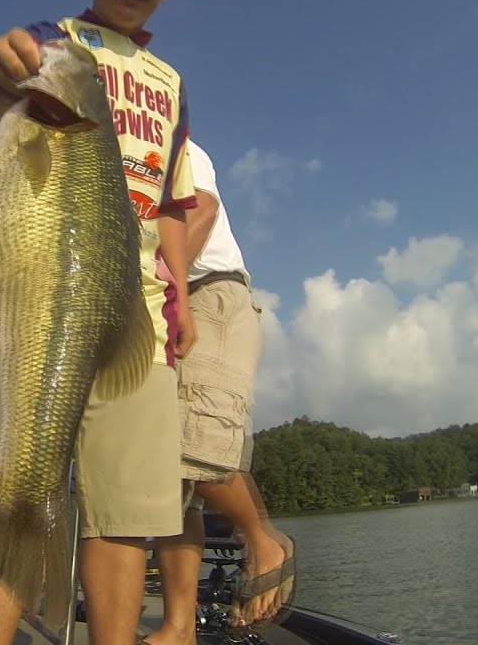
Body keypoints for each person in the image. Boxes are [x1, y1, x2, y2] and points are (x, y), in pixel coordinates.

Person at [0, 0, 199, 644]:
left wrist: (182, 297)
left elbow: (173, 203)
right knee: (5, 483)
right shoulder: (50, 40)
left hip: (137, 312)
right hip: (31, 301)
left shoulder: (173, 84)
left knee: (124, 519)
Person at [145, 141, 295, 645]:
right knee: (172, 491)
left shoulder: (174, 141)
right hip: (167, 308)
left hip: (209, 295)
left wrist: (160, 293)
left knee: (193, 450)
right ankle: (178, 628)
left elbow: (202, 210)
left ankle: (264, 544)